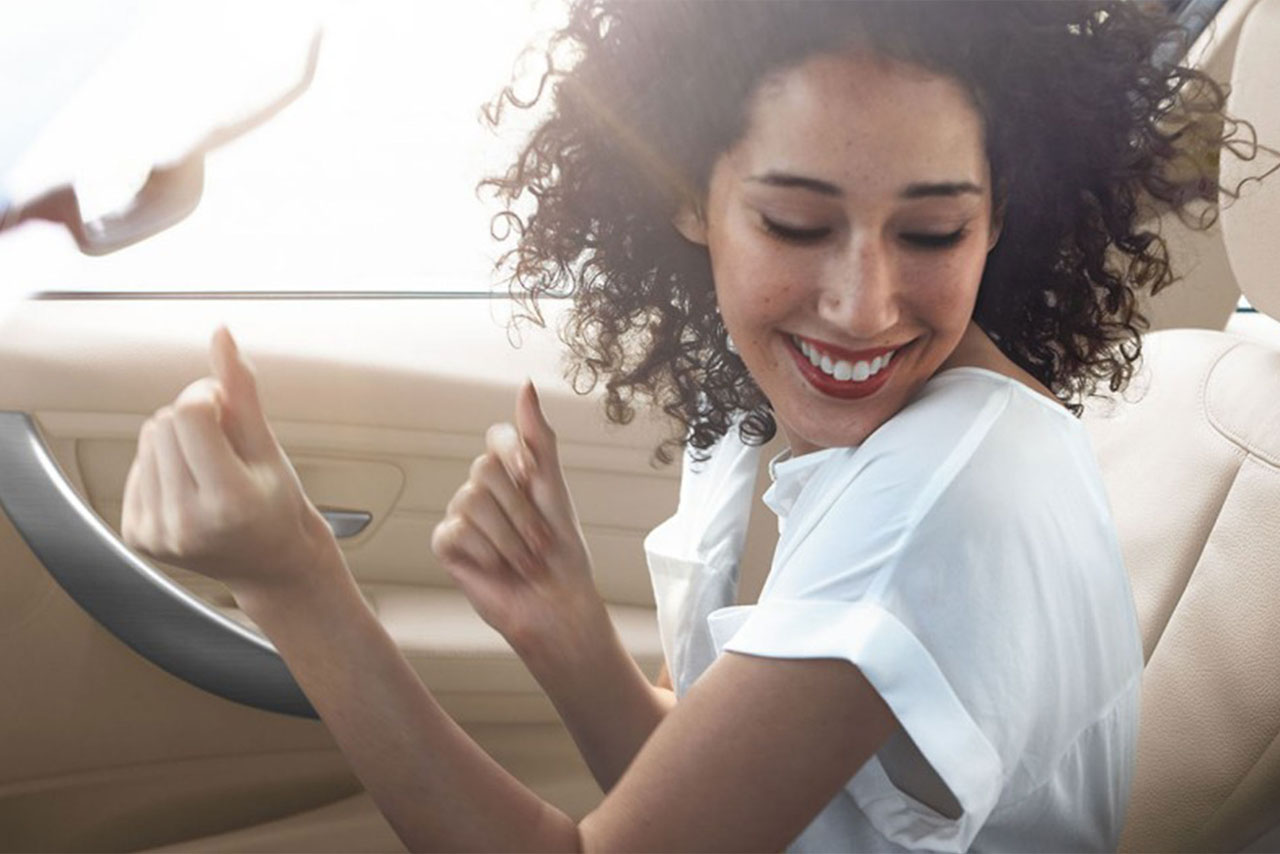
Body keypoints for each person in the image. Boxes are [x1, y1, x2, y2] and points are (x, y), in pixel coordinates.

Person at [121, 1, 1246, 850]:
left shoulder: (954, 488)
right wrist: (568, 636)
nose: (862, 303)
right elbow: (738, 804)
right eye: (796, 221)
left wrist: (293, 580)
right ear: (680, 191)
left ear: (1001, 213)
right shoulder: (769, 420)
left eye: (931, 231)